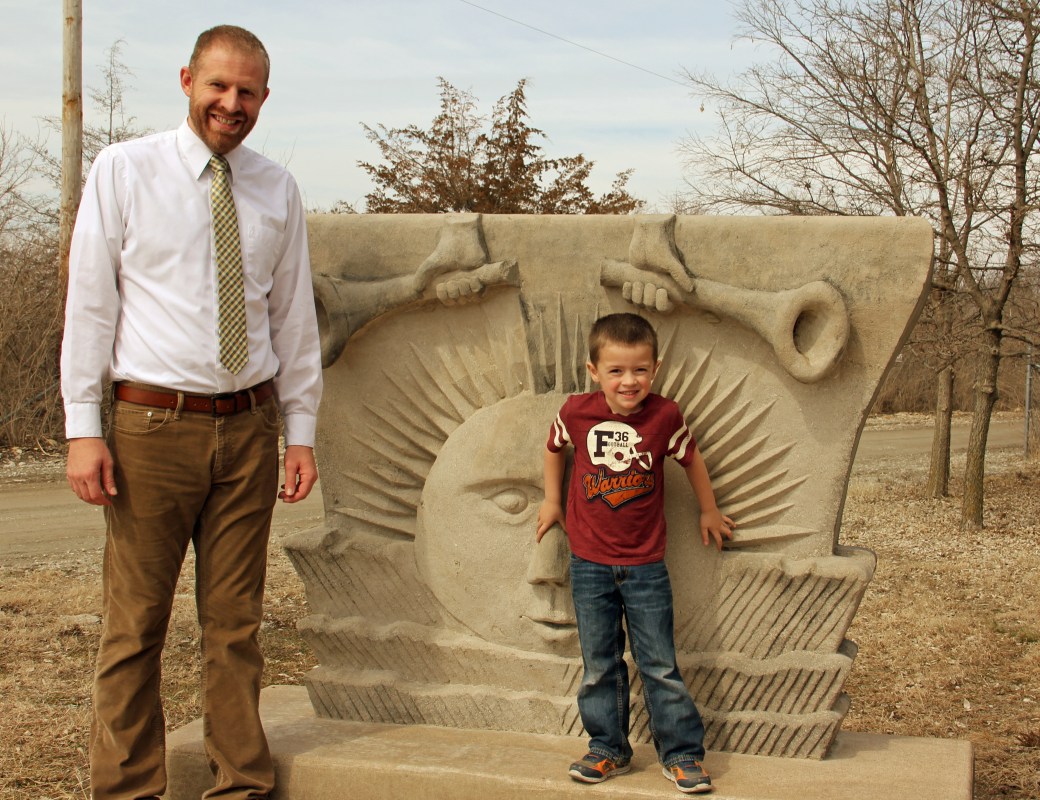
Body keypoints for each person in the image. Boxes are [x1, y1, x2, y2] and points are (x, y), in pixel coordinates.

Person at [60, 25, 323, 800]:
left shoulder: (277, 188)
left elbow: (292, 319)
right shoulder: (125, 169)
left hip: (250, 429)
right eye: (219, 86)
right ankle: (127, 791)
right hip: (151, 428)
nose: (231, 104)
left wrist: (300, 431)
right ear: (187, 81)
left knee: (236, 627)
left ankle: (240, 786)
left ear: (264, 98)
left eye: (247, 92)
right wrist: (82, 429)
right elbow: (91, 303)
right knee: (136, 624)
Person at [536, 312, 733, 795]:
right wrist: (552, 500)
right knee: (599, 664)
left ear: (655, 368)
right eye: (617, 370)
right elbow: (554, 448)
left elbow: (692, 459)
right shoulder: (576, 412)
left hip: (646, 566)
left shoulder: (664, 416)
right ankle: (607, 747)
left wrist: (709, 510)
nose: (629, 381)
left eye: (640, 369)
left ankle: (681, 753)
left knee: (659, 663)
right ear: (594, 371)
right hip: (589, 564)